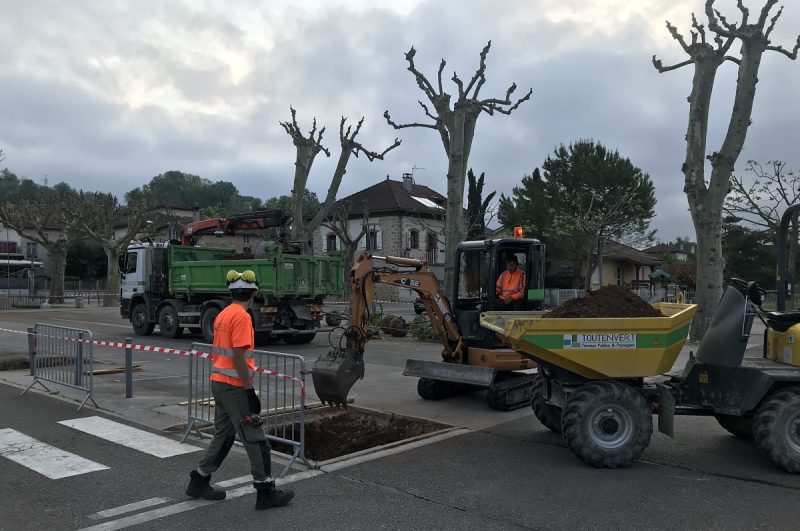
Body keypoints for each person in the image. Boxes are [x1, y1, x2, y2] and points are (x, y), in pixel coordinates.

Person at [185, 269, 294, 510]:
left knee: (224, 434)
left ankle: (199, 480)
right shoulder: (243, 317)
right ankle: (265, 492)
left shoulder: (224, 314)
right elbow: (237, 356)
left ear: (231, 292)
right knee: (255, 439)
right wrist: (248, 390)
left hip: (219, 383)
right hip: (234, 387)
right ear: (254, 294)